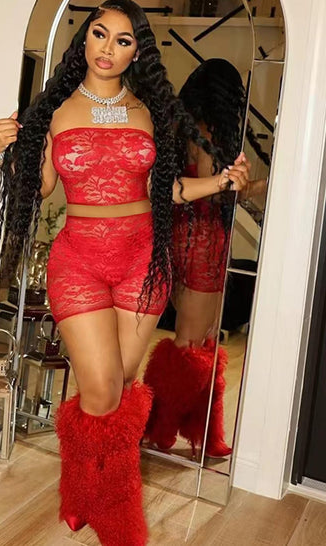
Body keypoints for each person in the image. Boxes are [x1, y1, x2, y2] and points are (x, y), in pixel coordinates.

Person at [0, 5, 250, 545]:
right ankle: (119, 516)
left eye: (123, 40)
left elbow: (167, 191)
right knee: (102, 387)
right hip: (78, 261)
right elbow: (40, 187)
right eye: (99, 34)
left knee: (121, 385)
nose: (107, 48)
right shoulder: (54, 111)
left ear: (137, 52)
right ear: (84, 40)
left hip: (142, 263)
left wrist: (223, 182)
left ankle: (80, 488)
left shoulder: (149, 111)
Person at [143, 59, 269, 459]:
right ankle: (159, 429)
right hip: (202, 242)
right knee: (192, 345)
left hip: (188, 239)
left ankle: (194, 432)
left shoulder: (184, 127)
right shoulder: (207, 132)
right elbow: (217, 191)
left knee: (200, 345)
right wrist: (263, 184)